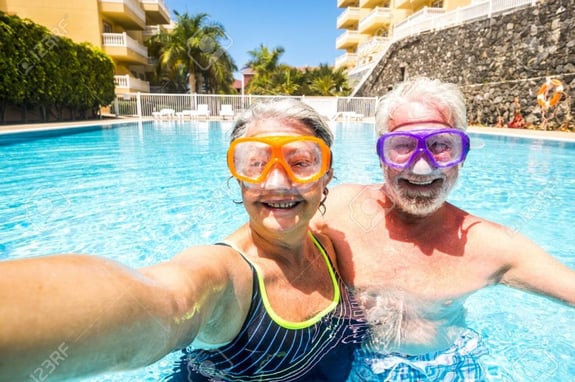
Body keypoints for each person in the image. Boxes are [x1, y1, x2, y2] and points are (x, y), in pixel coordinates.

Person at [0, 99, 368, 382]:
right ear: (238, 179)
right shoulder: (228, 275)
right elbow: (168, 300)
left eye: (301, 162)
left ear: (327, 174)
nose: (277, 182)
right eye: (254, 163)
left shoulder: (330, 245)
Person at [312, 77, 575, 380]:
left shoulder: (489, 244)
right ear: (380, 153)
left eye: (440, 146)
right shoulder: (339, 210)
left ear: (462, 153)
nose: (421, 167)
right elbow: (258, 246)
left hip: (444, 367)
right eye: (403, 146)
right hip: (353, 361)